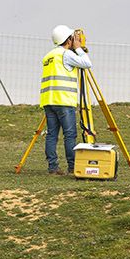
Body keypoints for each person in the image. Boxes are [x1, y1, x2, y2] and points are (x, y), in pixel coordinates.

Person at [40, 25, 92, 175]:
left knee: (52, 135)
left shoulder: (48, 56)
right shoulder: (66, 55)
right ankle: (72, 166)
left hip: (48, 101)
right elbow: (87, 63)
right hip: (63, 101)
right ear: (68, 39)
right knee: (70, 135)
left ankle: (53, 167)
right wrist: (79, 49)